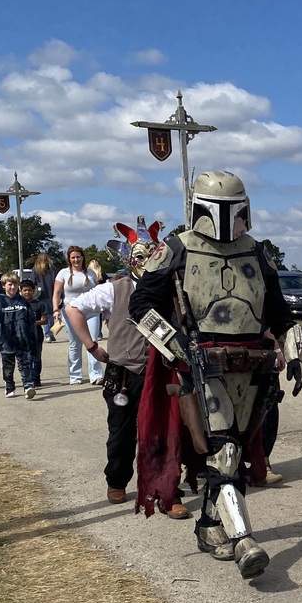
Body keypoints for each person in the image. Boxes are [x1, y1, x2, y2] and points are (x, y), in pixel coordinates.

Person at [129, 170, 295, 580]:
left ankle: (208, 525)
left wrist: (292, 352)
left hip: (252, 367)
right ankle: (244, 541)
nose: (227, 218)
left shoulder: (256, 251)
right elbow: (141, 306)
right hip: (202, 363)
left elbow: (279, 310)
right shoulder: (176, 249)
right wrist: (175, 347)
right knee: (222, 449)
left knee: (233, 449)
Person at [66, 219, 191, 519]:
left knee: (166, 432)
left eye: (152, 253)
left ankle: (165, 490)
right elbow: (73, 308)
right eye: (141, 254)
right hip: (125, 373)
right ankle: (117, 481)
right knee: (121, 432)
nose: (147, 259)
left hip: (162, 370)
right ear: (130, 258)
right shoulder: (114, 289)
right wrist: (92, 346)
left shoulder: (172, 287)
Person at [52, 246, 103, 385]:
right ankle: (75, 375)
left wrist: (104, 310)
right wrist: (55, 309)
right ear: (69, 258)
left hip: (91, 312)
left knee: (92, 342)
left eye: (78, 257)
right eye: (73, 257)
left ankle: (96, 375)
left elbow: (98, 293)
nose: (76, 259)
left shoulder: (91, 273)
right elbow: (56, 293)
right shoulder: (63, 273)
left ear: (83, 257)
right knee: (75, 343)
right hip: (71, 312)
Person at [0, 271, 38, 399]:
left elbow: (31, 322)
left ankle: (28, 386)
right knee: (8, 367)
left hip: (23, 340)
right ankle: (9, 386)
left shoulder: (23, 303)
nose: (12, 287)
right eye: (10, 284)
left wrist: (33, 339)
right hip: (6, 342)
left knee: (25, 364)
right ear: (4, 285)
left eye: (15, 285)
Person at [19, 279, 47, 388]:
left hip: (36, 335)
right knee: (26, 358)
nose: (27, 292)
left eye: (29, 290)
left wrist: (33, 322)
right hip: (22, 335)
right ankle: (28, 378)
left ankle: (36, 377)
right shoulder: (18, 304)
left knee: (36, 357)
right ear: (20, 291)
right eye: (25, 290)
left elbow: (45, 320)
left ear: (33, 290)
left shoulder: (39, 304)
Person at [31, 253, 57, 343]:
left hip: (40, 295)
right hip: (52, 294)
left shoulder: (36, 269)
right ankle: (51, 332)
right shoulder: (53, 269)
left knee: (44, 315)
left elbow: (33, 282)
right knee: (50, 315)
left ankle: (47, 334)